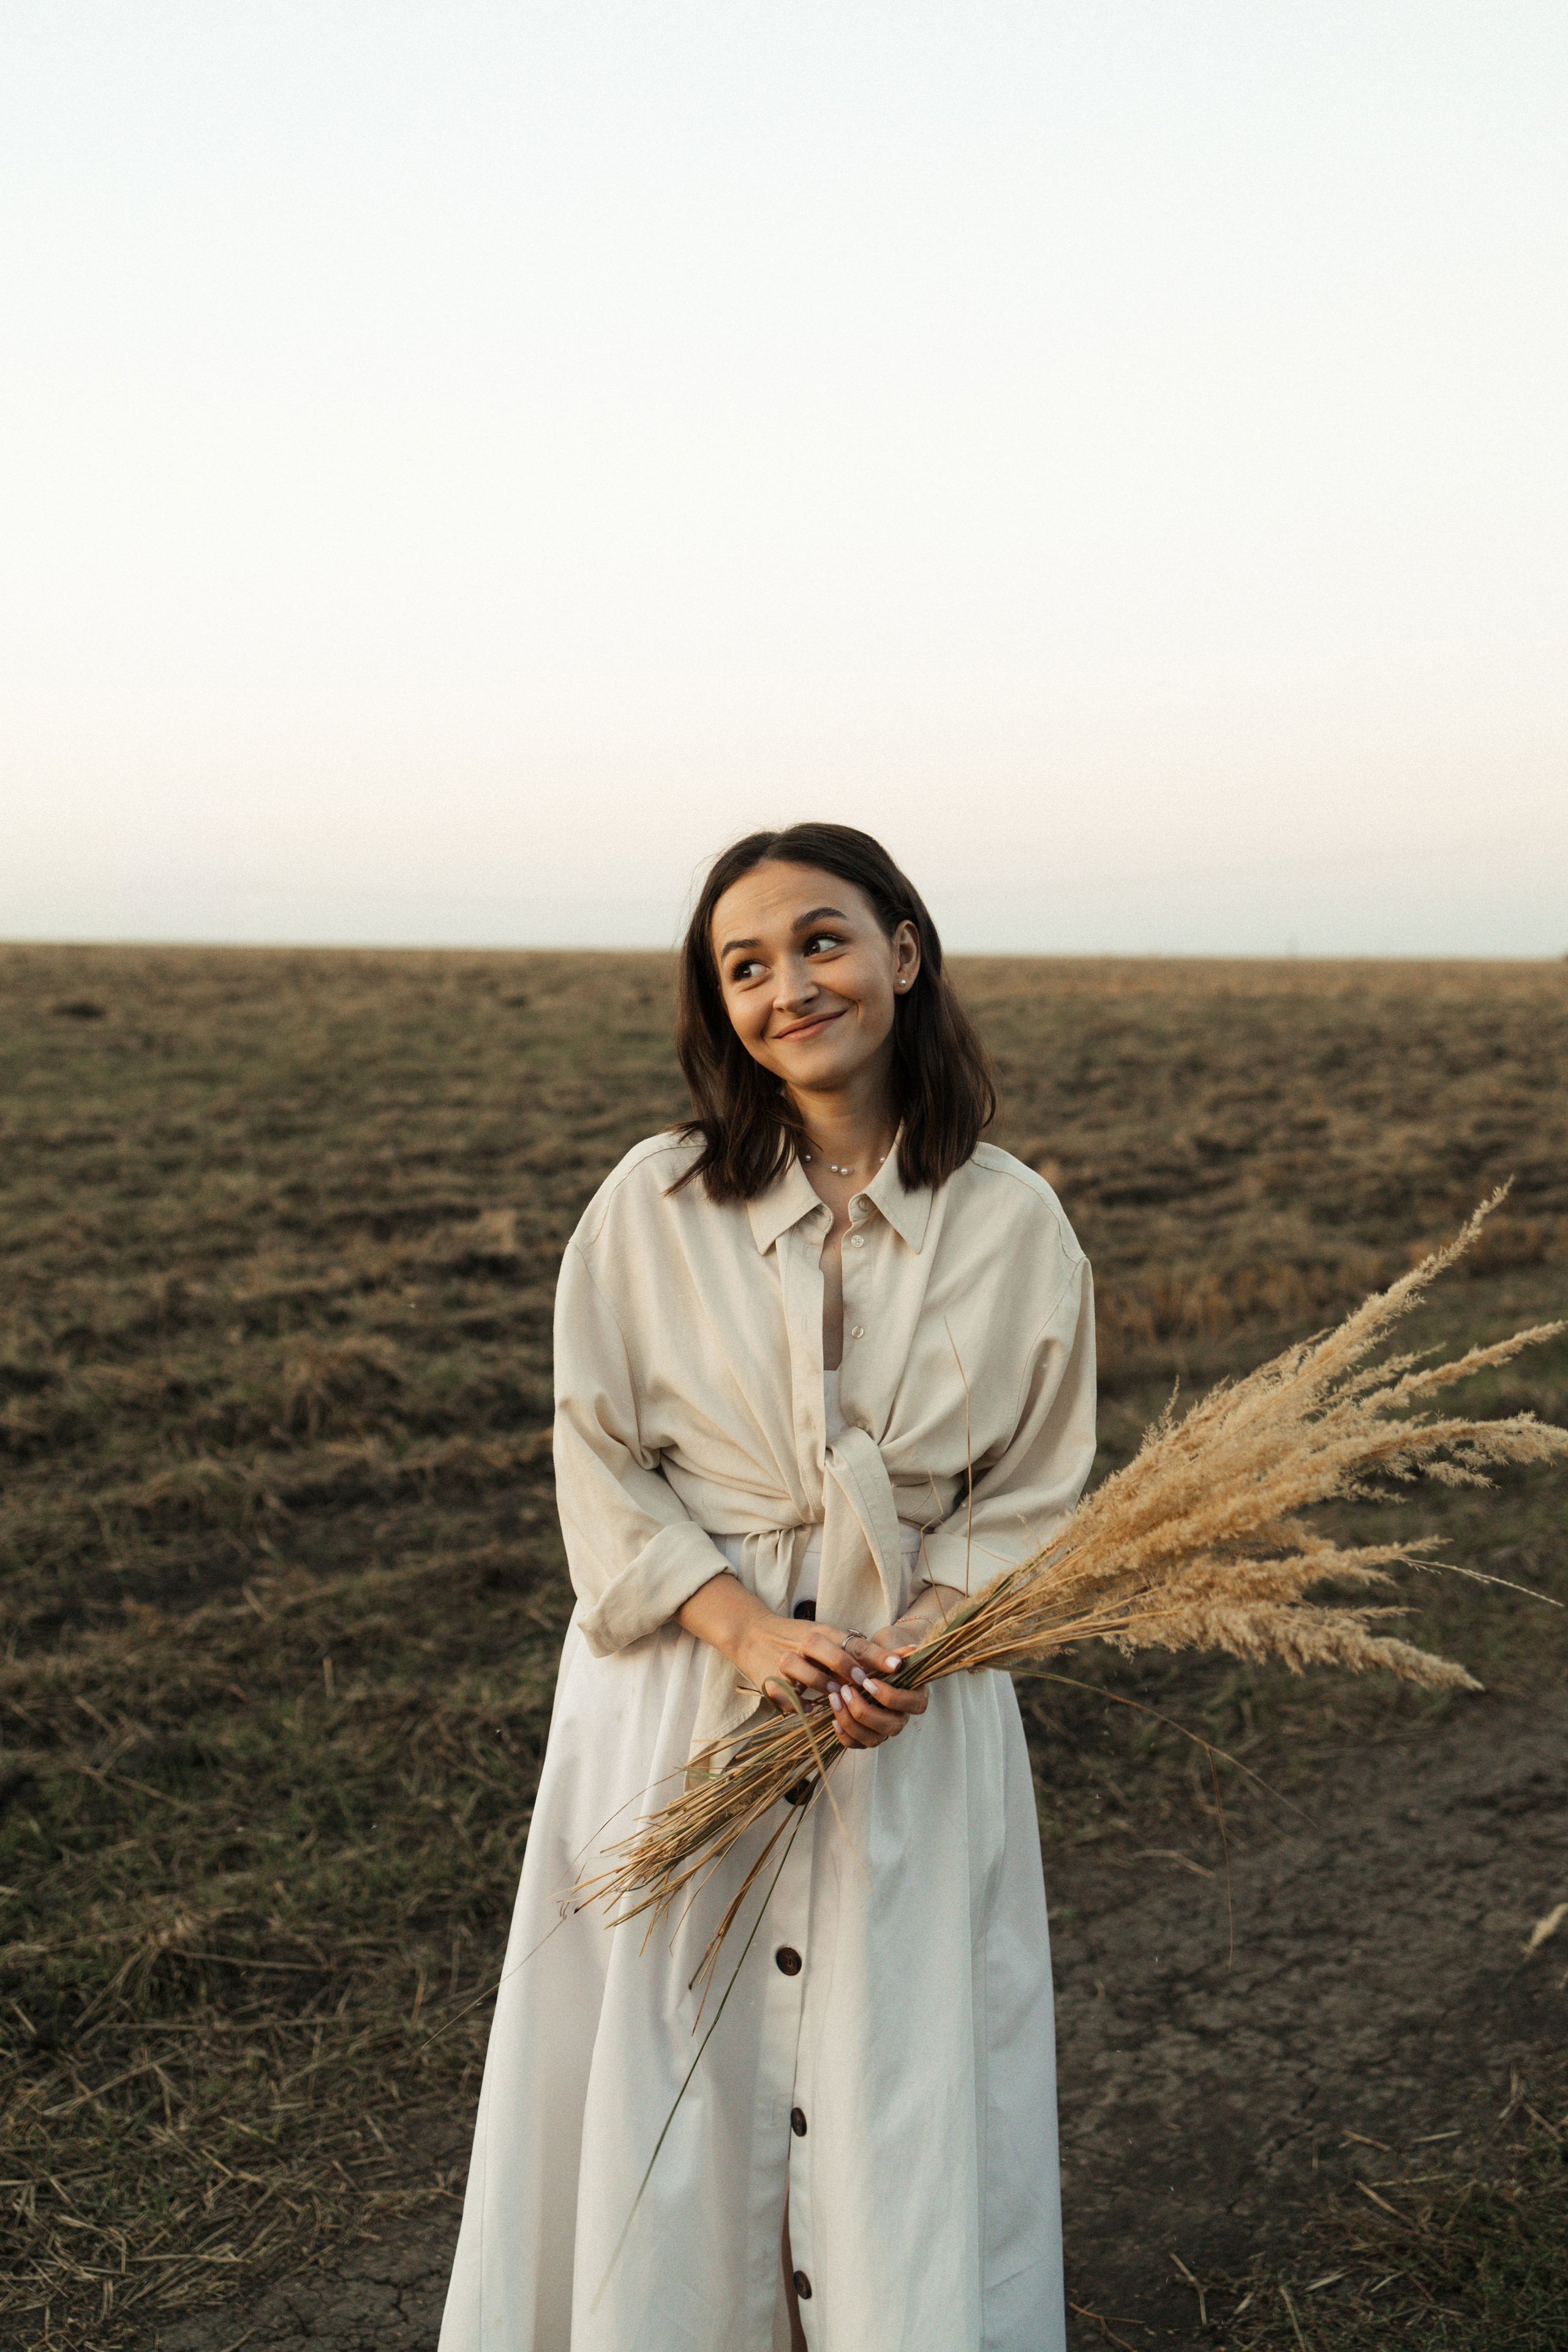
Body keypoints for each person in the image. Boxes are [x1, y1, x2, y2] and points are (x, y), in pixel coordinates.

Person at [439, 823, 1096, 2351]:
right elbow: (594, 1453)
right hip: (682, 1690)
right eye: (743, 966)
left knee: (892, 2071)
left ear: (902, 952)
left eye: (819, 941)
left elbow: (1031, 1496)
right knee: (667, 2068)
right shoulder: (649, 1200)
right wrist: (743, 1633)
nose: (787, 986)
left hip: (907, 1706)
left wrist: (912, 1651)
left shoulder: (1016, 1222)